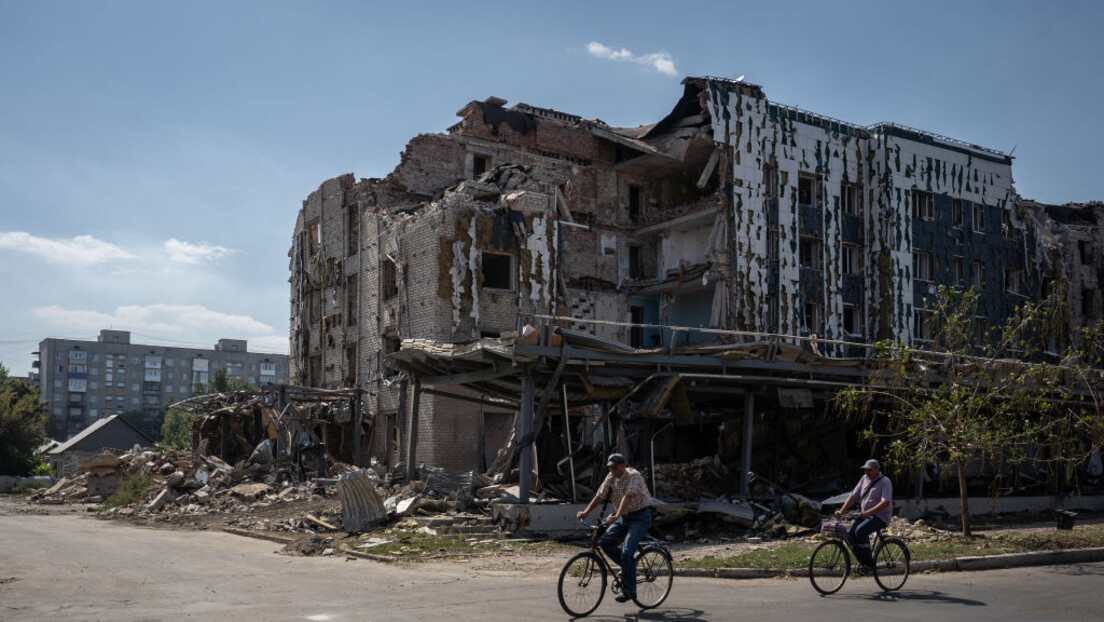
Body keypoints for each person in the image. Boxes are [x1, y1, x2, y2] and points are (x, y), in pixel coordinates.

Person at [576, 453, 653, 603]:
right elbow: (600, 496)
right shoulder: (610, 477)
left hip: (639, 517)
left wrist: (616, 516)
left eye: (615, 467)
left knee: (626, 552)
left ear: (623, 465)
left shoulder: (633, 476)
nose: (612, 470)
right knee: (604, 542)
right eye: (610, 467)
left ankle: (629, 591)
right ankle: (628, 566)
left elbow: (628, 496)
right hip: (623, 517)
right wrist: (586, 512)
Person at [835, 458, 893, 572]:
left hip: (881, 517)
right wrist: (841, 511)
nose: (867, 472)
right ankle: (863, 562)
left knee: (860, 531)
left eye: (869, 470)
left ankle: (869, 562)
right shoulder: (864, 479)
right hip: (865, 515)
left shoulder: (885, 481)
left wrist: (868, 512)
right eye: (865, 470)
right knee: (850, 535)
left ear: (877, 469)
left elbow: (885, 502)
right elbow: (853, 497)